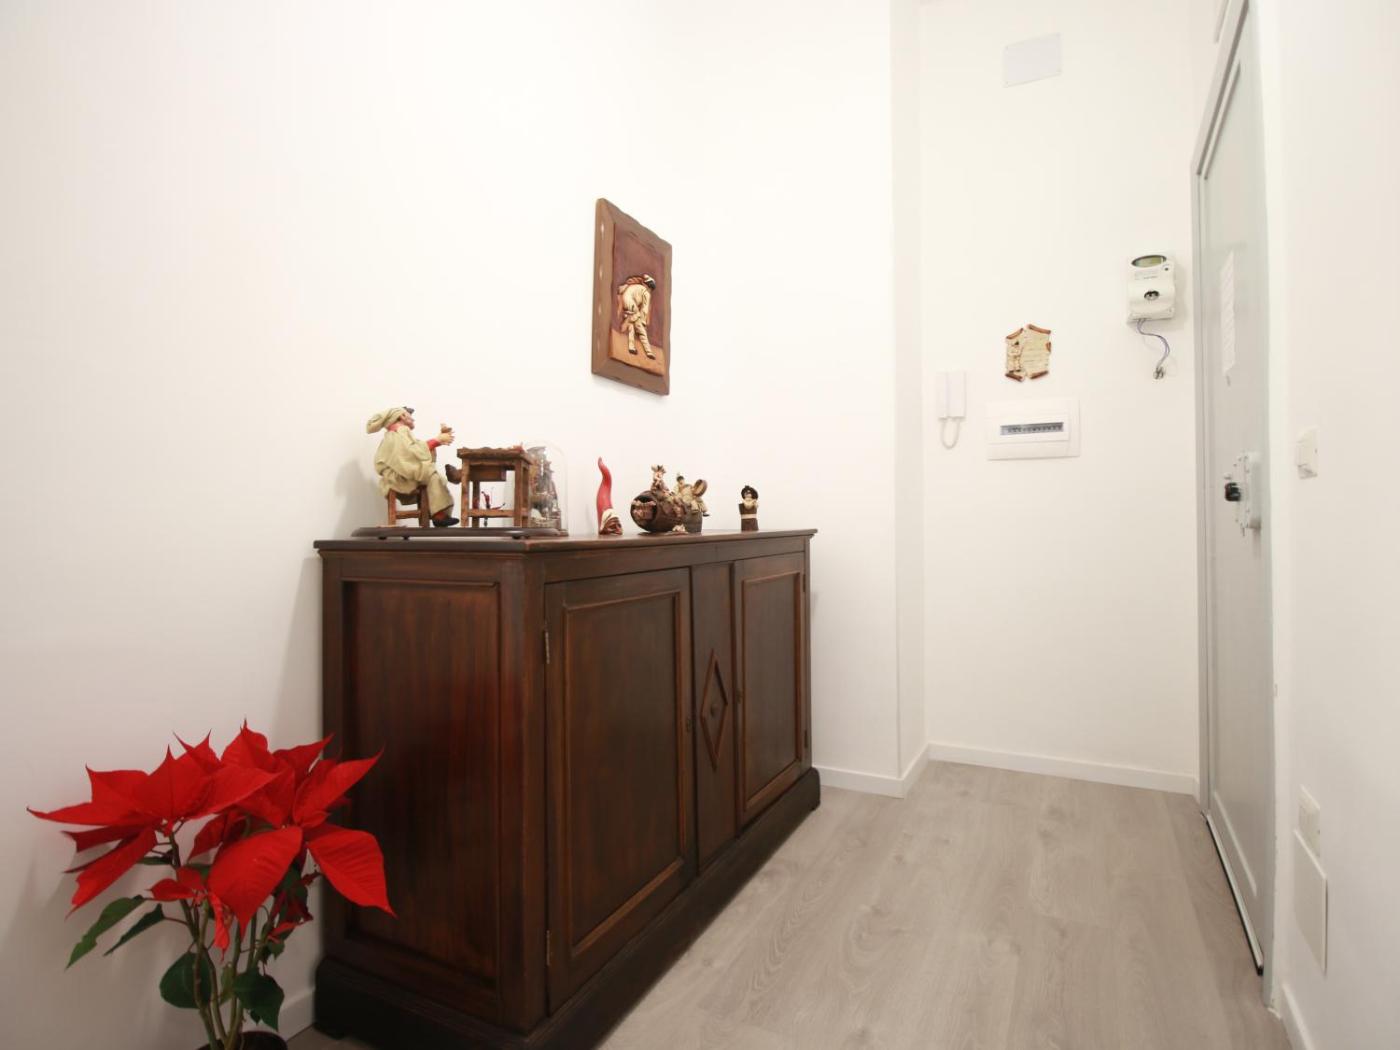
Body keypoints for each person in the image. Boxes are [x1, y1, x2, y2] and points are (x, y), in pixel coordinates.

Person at [366, 406, 459, 527]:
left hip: (402, 472)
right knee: (432, 476)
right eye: (410, 415)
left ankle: (437, 513)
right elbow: (410, 454)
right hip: (398, 476)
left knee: (434, 476)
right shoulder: (398, 433)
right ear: (402, 416)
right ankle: (438, 515)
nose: (413, 419)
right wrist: (437, 440)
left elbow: (415, 449)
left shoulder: (401, 433)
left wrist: (438, 441)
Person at [618, 274, 657, 359]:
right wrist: (643, 321)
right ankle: (649, 352)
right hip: (631, 304)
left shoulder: (638, 287)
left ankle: (631, 347)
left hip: (627, 302)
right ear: (650, 287)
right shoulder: (646, 292)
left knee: (631, 326)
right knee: (641, 329)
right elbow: (645, 308)